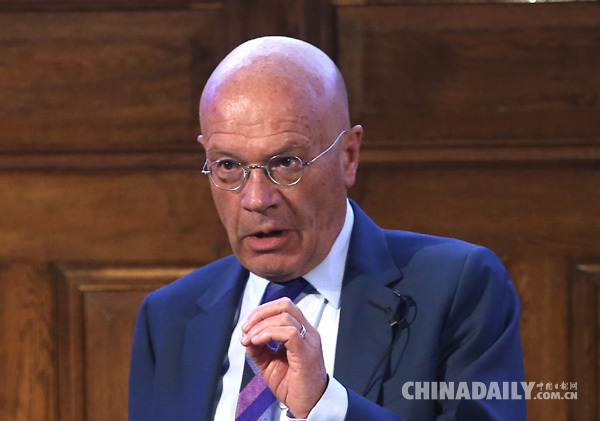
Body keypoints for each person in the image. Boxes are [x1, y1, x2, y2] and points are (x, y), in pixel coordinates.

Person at [129, 36, 526, 420]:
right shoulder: (169, 317)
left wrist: (327, 406)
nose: (256, 198)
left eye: (285, 162)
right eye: (229, 166)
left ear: (348, 156)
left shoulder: (456, 287)